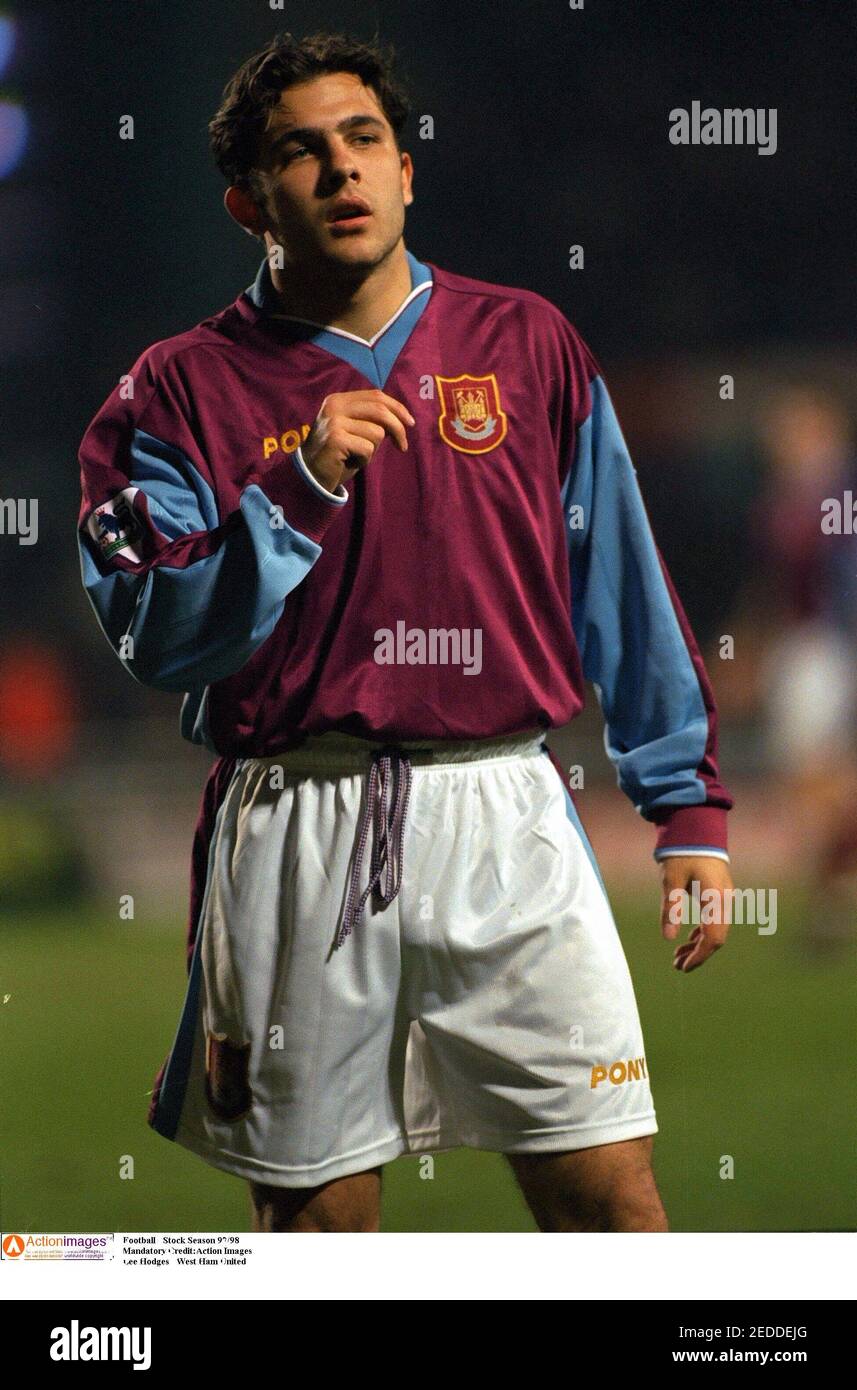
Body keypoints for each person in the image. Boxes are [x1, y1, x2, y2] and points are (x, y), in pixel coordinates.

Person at [76, 30, 734, 1233]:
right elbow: (157, 634)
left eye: (364, 140)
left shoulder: (525, 343)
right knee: (322, 1229)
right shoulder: (173, 391)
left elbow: (621, 583)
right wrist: (296, 492)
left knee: (612, 1204)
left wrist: (683, 804)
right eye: (301, 153)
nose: (342, 171)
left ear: (406, 173)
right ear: (246, 201)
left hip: (505, 817)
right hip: (296, 820)